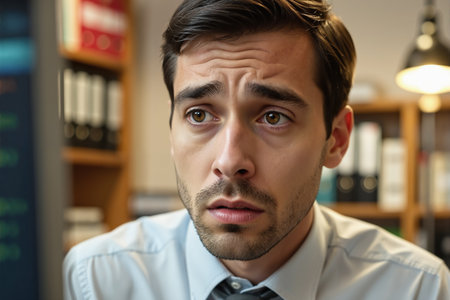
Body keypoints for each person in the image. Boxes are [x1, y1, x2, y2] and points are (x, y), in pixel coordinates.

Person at [63, 0, 450, 299]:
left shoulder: (418, 288)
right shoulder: (95, 280)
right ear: (172, 127)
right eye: (199, 114)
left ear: (337, 139)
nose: (230, 162)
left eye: (273, 117)